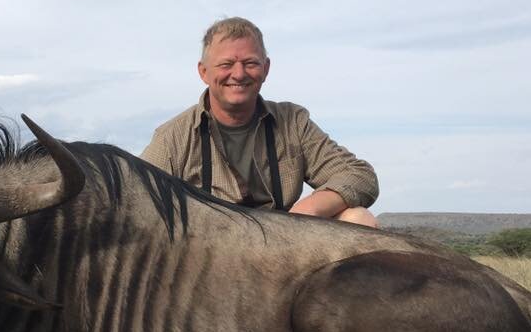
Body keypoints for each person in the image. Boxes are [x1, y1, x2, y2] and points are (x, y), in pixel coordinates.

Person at [141, 17, 378, 226]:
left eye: (250, 63)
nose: (239, 74)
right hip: (208, 260)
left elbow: (360, 175)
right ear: (203, 72)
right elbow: (136, 201)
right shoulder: (172, 137)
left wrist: (307, 211)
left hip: (283, 245)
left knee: (358, 218)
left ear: (265, 69)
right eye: (226, 64)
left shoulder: (293, 122)